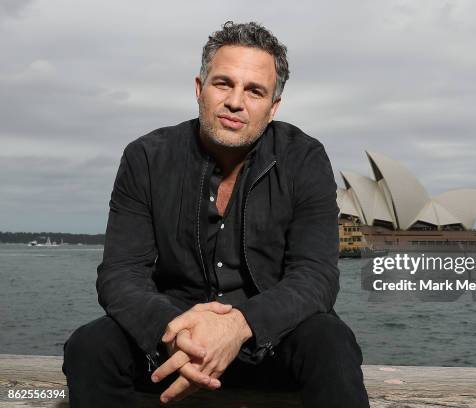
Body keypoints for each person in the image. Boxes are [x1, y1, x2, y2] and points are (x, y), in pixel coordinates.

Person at [62, 21, 370, 408]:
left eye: (254, 91)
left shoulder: (304, 157)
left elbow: (316, 277)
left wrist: (238, 325)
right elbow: (120, 274)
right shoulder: (146, 157)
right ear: (199, 88)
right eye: (223, 83)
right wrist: (174, 331)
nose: (236, 102)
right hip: (174, 339)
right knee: (90, 347)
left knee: (331, 344)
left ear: (273, 107)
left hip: (270, 339)